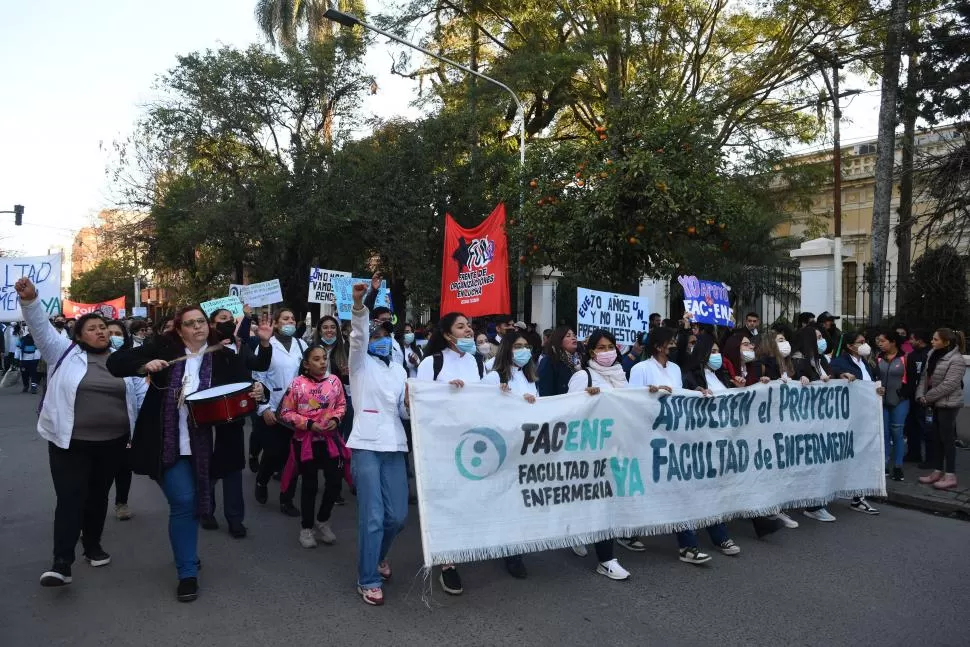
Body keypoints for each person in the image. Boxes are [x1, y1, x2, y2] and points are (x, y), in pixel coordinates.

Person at [106, 305, 268, 602]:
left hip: (210, 447)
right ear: (179, 329)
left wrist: (259, 393)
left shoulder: (224, 355)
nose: (198, 327)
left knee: (190, 505)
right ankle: (187, 572)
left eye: (202, 322)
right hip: (168, 445)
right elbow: (116, 362)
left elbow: (250, 389)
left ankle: (186, 553)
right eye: (190, 324)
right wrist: (145, 365)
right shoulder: (165, 349)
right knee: (183, 501)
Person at [15, 279, 146, 589]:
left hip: (112, 443)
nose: (101, 331)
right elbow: (40, 328)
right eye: (93, 328)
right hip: (69, 443)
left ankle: (92, 545)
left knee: (98, 496)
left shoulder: (123, 361)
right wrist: (31, 300)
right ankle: (62, 562)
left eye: (105, 327)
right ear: (78, 335)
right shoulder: (63, 352)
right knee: (71, 497)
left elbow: (138, 397)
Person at [628, 327, 731, 561]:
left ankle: (689, 544)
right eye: (671, 342)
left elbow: (680, 395)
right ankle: (628, 530)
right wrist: (649, 392)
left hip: (674, 438)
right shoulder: (640, 369)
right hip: (649, 439)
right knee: (646, 490)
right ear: (658, 346)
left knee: (680, 489)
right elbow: (630, 401)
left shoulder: (675, 369)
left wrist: (696, 391)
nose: (676, 345)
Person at [346, 283, 409, 606]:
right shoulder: (360, 364)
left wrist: (410, 404)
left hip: (395, 444)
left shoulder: (399, 370)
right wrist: (359, 304)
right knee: (372, 516)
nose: (381, 340)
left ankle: (379, 556)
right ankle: (367, 577)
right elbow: (357, 336)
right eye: (377, 336)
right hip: (367, 444)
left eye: (386, 335)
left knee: (397, 516)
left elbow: (402, 410)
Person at [415, 310, 484, 595]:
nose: (468, 330)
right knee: (444, 500)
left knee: (465, 499)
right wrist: (446, 392)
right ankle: (447, 563)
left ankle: (460, 545)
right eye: (460, 326)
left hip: (471, 443)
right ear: (446, 334)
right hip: (440, 444)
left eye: (469, 325)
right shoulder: (432, 363)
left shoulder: (477, 363)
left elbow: (486, 398)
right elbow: (418, 400)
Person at [565, 329, 632, 580]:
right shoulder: (584, 376)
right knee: (603, 502)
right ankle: (606, 559)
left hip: (617, 446)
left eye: (610, 347)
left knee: (604, 501)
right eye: (601, 348)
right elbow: (567, 411)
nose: (607, 352)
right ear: (592, 351)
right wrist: (586, 399)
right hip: (591, 451)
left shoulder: (620, 376)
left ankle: (578, 531)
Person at [204, 308, 272, 535]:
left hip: (234, 417)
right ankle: (206, 510)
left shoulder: (241, 347)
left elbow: (259, 365)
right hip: (210, 417)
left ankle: (235, 519)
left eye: (229, 319)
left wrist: (263, 343)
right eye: (221, 319)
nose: (227, 322)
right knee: (210, 467)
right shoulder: (205, 350)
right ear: (212, 324)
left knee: (232, 468)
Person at [279, 346, 348, 548]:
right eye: (316, 359)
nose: (322, 362)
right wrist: (308, 424)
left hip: (330, 440)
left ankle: (323, 520)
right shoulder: (297, 385)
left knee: (335, 483)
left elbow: (342, 405)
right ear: (306, 364)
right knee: (309, 486)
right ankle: (306, 528)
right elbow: (285, 412)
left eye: (324, 358)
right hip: (306, 442)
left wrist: (336, 418)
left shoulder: (335, 382)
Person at [482, 331, 538, 579]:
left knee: (521, 500)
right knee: (506, 499)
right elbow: (482, 411)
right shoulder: (495, 377)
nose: (523, 350)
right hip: (504, 449)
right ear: (507, 348)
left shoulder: (530, 378)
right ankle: (511, 551)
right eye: (518, 346)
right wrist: (505, 399)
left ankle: (515, 547)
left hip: (527, 446)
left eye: (526, 346)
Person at [253, 308, 307, 517]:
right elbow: (257, 378)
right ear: (275, 323)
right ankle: (262, 479)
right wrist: (263, 408)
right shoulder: (266, 346)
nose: (290, 321)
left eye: (293, 318)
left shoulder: (302, 345)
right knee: (275, 452)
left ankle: (287, 499)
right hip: (274, 407)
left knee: (293, 457)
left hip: (298, 411)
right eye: (285, 318)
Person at [917, 329, 966, 490]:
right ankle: (938, 471)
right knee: (936, 438)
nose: (932, 341)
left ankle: (950, 475)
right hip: (934, 403)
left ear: (946, 342)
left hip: (948, 404)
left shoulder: (956, 360)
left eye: (936, 339)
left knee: (947, 439)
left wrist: (928, 397)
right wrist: (920, 395)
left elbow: (949, 385)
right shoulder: (933, 354)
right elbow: (925, 377)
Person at [104, 320, 138, 521]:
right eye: (110, 332)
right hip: (98, 428)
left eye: (118, 333)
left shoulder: (129, 359)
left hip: (125, 424)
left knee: (124, 467)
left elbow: (140, 390)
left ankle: (121, 503)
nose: (114, 336)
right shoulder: (87, 359)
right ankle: (92, 508)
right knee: (101, 471)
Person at [874, 331, 917, 482]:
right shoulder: (878, 358)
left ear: (893, 342)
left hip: (900, 401)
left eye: (883, 341)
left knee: (897, 432)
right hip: (881, 402)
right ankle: (884, 464)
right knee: (883, 433)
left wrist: (901, 395)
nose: (879, 343)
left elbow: (912, 382)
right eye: (879, 341)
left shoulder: (906, 358)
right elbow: (874, 378)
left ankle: (898, 466)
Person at [905, 329, 932, 464]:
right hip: (912, 397)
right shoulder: (911, 355)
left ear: (920, 340)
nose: (910, 342)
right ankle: (913, 454)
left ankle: (930, 458)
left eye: (912, 339)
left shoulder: (929, 355)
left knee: (926, 428)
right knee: (912, 427)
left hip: (925, 398)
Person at [536, 326, 581, 397]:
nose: (573, 338)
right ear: (559, 340)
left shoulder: (579, 360)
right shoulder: (549, 361)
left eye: (574, 335)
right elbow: (545, 391)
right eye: (568, 336)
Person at [18, 323, 41, 393]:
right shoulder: (23, 339)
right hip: (24, 360)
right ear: (29, 330)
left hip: (33, 360)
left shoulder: (37, 339)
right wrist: (17, 359)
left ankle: (34, 387)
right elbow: (18, 349)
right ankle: (26, 385)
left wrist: (36, 359)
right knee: (24, 374)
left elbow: (38, 350)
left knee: (33, 374)